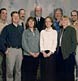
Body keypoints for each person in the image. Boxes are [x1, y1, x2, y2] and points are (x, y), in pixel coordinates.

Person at [1, 11, 24, 81]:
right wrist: (5, 50)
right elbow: (1, 40)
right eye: (14, 16)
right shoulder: (7, 28)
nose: (16, 18)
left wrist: (22, 52)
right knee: (10, 71)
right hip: (10, 51)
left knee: (18, 70)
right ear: (11, 18)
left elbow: (23, 41)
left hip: (19, 51)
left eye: (17, 16)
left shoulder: (21, 28)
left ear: (19, 18)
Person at [57, 16, 77, 81]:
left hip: (68, 54)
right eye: (62, 20)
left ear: (68, 21)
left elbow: (74, 43)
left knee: (69, 73)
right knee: (61, 72)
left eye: (65, 20)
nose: (63, 21)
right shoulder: (60, 30)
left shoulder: (71, 29)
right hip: (60, 52)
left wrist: (70, 52)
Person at [22, 17, 40, 81]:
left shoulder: (37, 31)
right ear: (27, 23)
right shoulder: (25, 32)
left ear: (34, 22)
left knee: (34, 73)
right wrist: (30, 53)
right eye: (29, 21)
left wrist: (38, 52)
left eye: (32, 21)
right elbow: (24, 44)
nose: (31, 22)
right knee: (28, 74)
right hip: (28, 56)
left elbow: (40, 42)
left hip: (37, 55)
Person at [40, 16, 57, 81]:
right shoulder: (42, 32)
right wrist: (43, 52)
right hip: (43, 54)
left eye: (49, 21)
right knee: (43, 72)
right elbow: (41, 43)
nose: (47, 23)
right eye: (46, 21)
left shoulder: (54, 32)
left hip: (51, 54)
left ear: (51, 23)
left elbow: (54, 43)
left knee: (51, 72)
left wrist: (49, 53)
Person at [0, 8, 7, 81]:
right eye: (3, 13)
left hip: (5, 50)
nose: (4, 15)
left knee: (4, 68)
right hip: (0, 50)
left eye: (6, 13)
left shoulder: (7, 25)